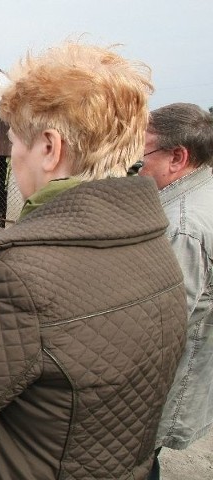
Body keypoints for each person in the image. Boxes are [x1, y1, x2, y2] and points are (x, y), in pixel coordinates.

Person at [0, 42, 188, 479]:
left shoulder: (17, 270)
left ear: (50, 148)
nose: (13, 154)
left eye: (14, 140)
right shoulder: (153, 239)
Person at [138, 103, 213, 479]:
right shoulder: (203, 193)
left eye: (146, 150)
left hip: (165, 382)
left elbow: (161, 326)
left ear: (177, 158)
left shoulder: (183, 225)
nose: (140, 162)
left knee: (138, 463)